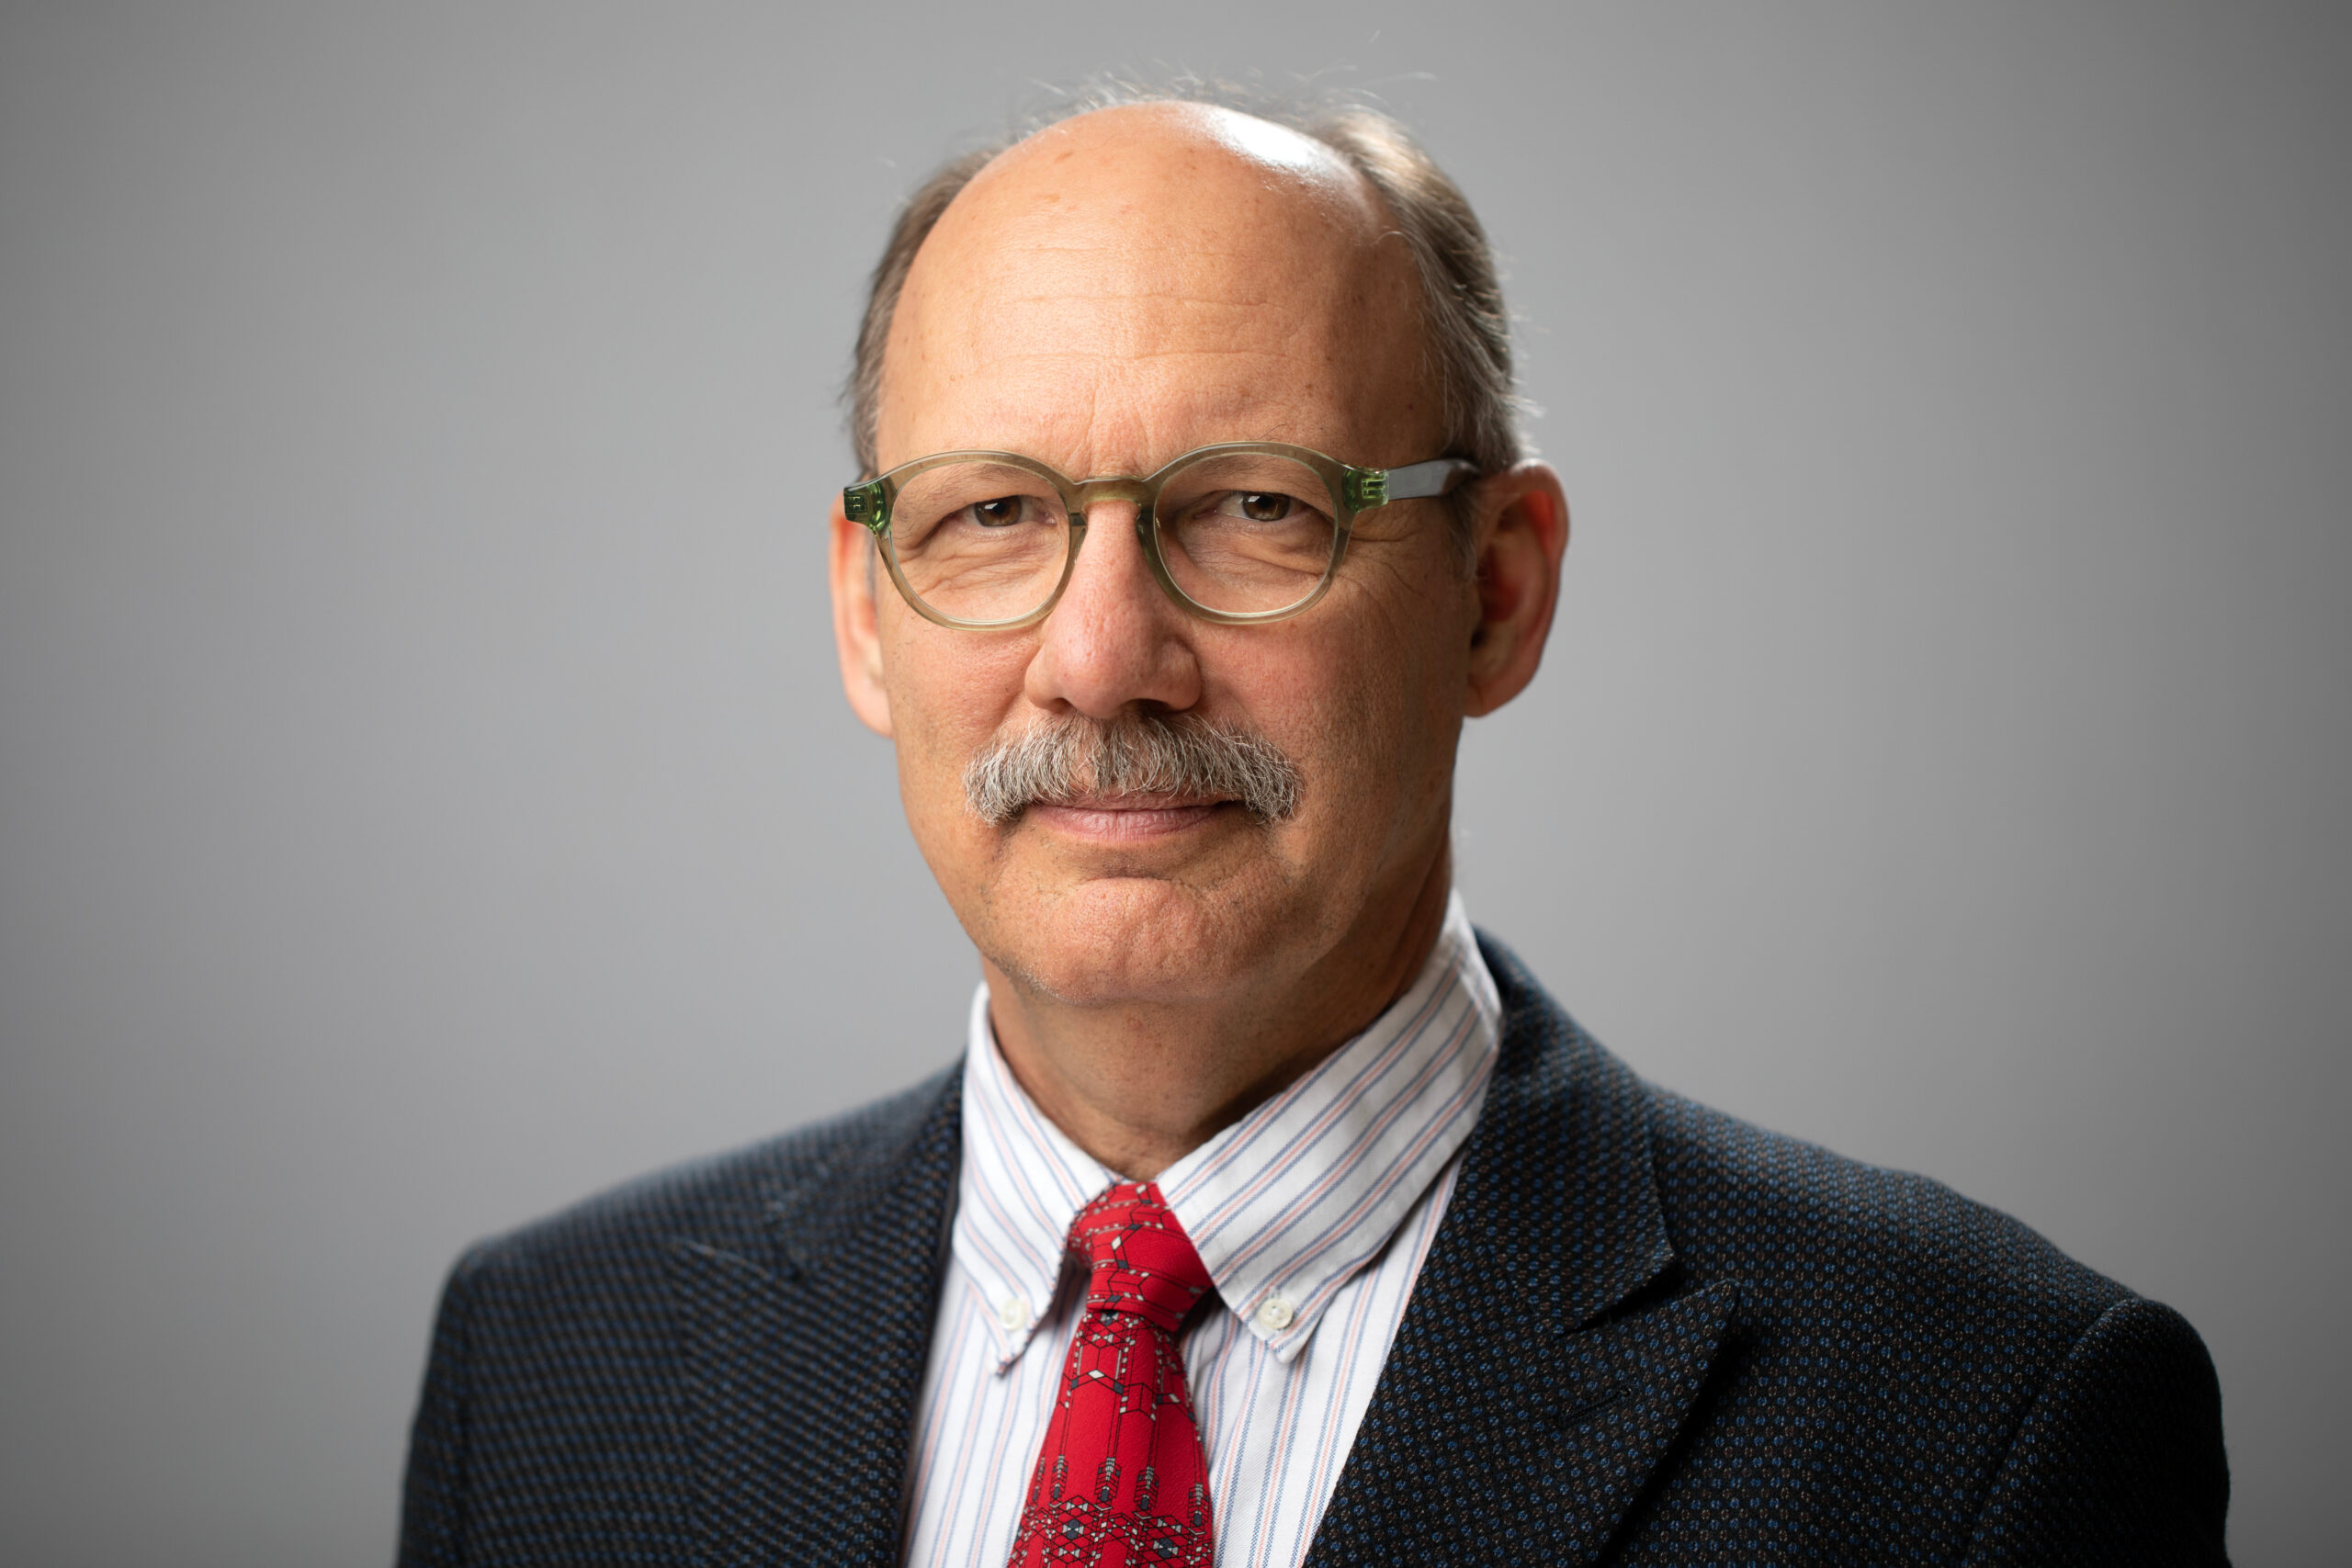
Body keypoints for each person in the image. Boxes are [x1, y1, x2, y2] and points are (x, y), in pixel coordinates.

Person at [397, 90, 2231, 1567]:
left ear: (1492, 596)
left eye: (1254, 506)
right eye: (988, 519)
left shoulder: (1975, 1428)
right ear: (866, 614)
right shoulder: (552, 1367)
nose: (1102, 659)